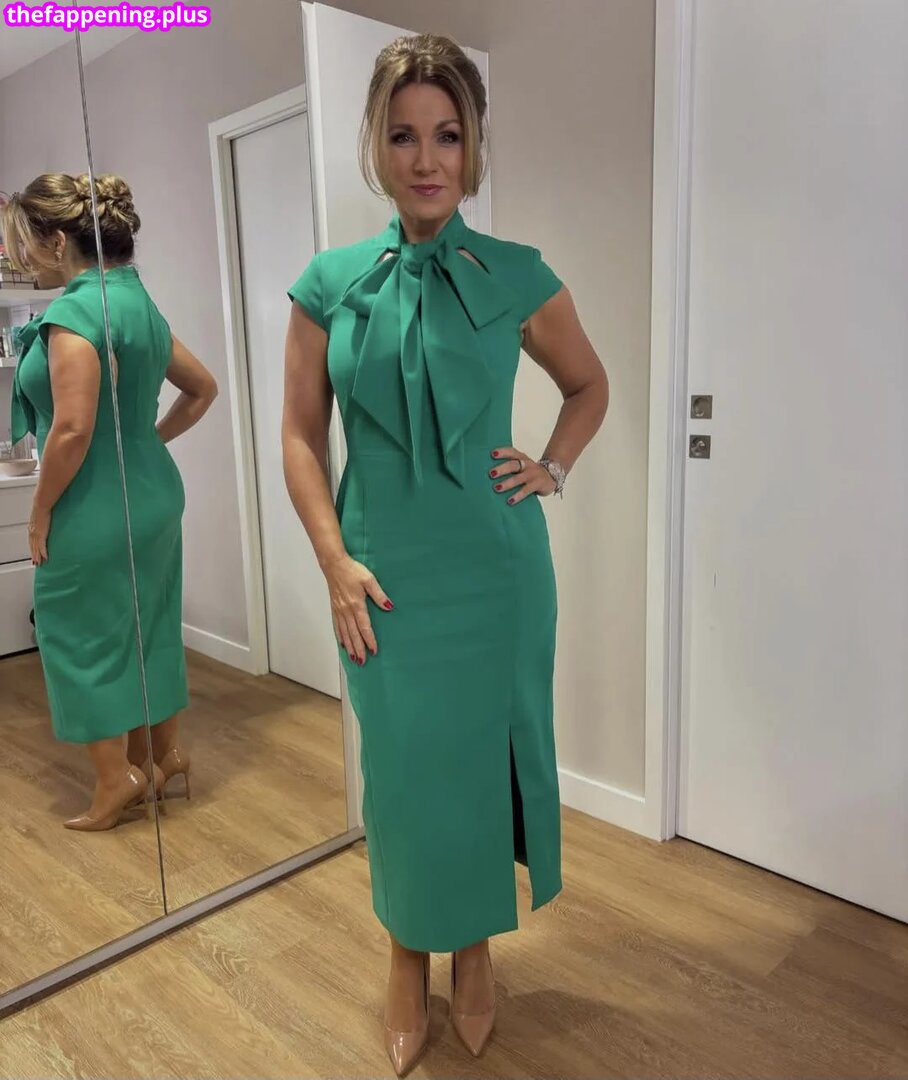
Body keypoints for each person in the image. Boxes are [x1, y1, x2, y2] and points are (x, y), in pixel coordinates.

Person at [283, 34, 608, 1075]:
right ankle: (403, 951)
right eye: (403, 136)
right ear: (376, 148)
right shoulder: (327, 284)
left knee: (478, 766)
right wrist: (333, 562)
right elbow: (299, 437)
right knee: (404, 770)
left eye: (447, 136)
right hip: (380, 576)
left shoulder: (519, 275)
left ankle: (473, 949)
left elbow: (588, 384)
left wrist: (550, 468)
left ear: (472, 147)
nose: (426, 159)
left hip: (496, 571)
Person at [2, 173, 216, 830]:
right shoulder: (136, 302)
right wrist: (145, 443)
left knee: (76, 633)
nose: (19, 258)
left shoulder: (74, 314)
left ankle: (114, 779)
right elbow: (202, 389)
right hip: (153, 494)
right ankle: (164, 756)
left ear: (57, 241)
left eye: (23, 243)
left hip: (92, 504)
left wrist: (40, 510)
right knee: (150, 623)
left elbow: (71, 429)